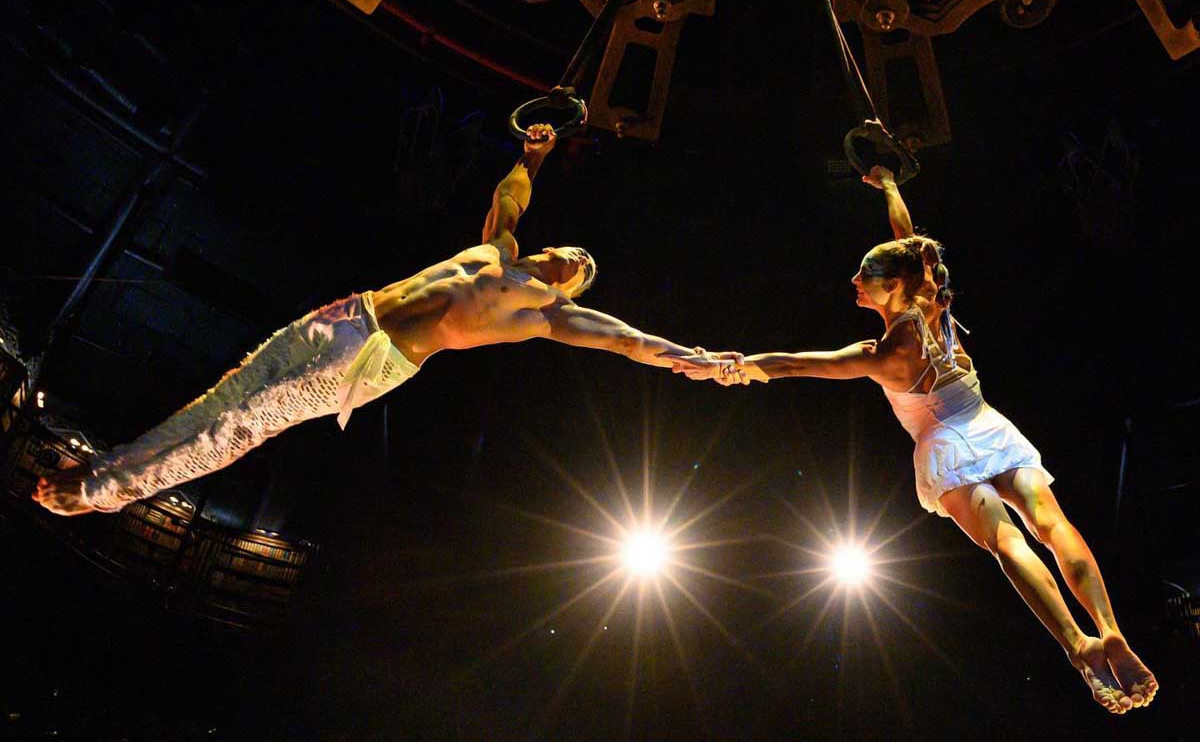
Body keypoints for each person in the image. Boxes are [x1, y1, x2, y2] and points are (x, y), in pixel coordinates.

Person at [34, 125, 739, 516]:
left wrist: (692, 356)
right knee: (221, 398)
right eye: (577, 250)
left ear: (576, 287)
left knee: (241, 425)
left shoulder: (544, 315)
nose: (578, 257)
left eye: (584, 267)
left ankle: (102, 493)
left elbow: (627, 341)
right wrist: (534, 155)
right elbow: (511, 198)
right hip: (348, 314)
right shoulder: (500, 251)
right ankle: (106, 464)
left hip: (372, 362)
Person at [678, 165, 1157, 714]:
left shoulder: (880, 356)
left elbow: (788, 365)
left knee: (1008, 544)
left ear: (892, 285)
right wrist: (888, 187)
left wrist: (730, 368)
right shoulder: (932, 295)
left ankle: (1079, 647)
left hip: (946, 446)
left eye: (865, 276)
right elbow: (907, 239)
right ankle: (1110, 626)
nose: (855, 282)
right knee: (1053, 524)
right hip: (988, 425)